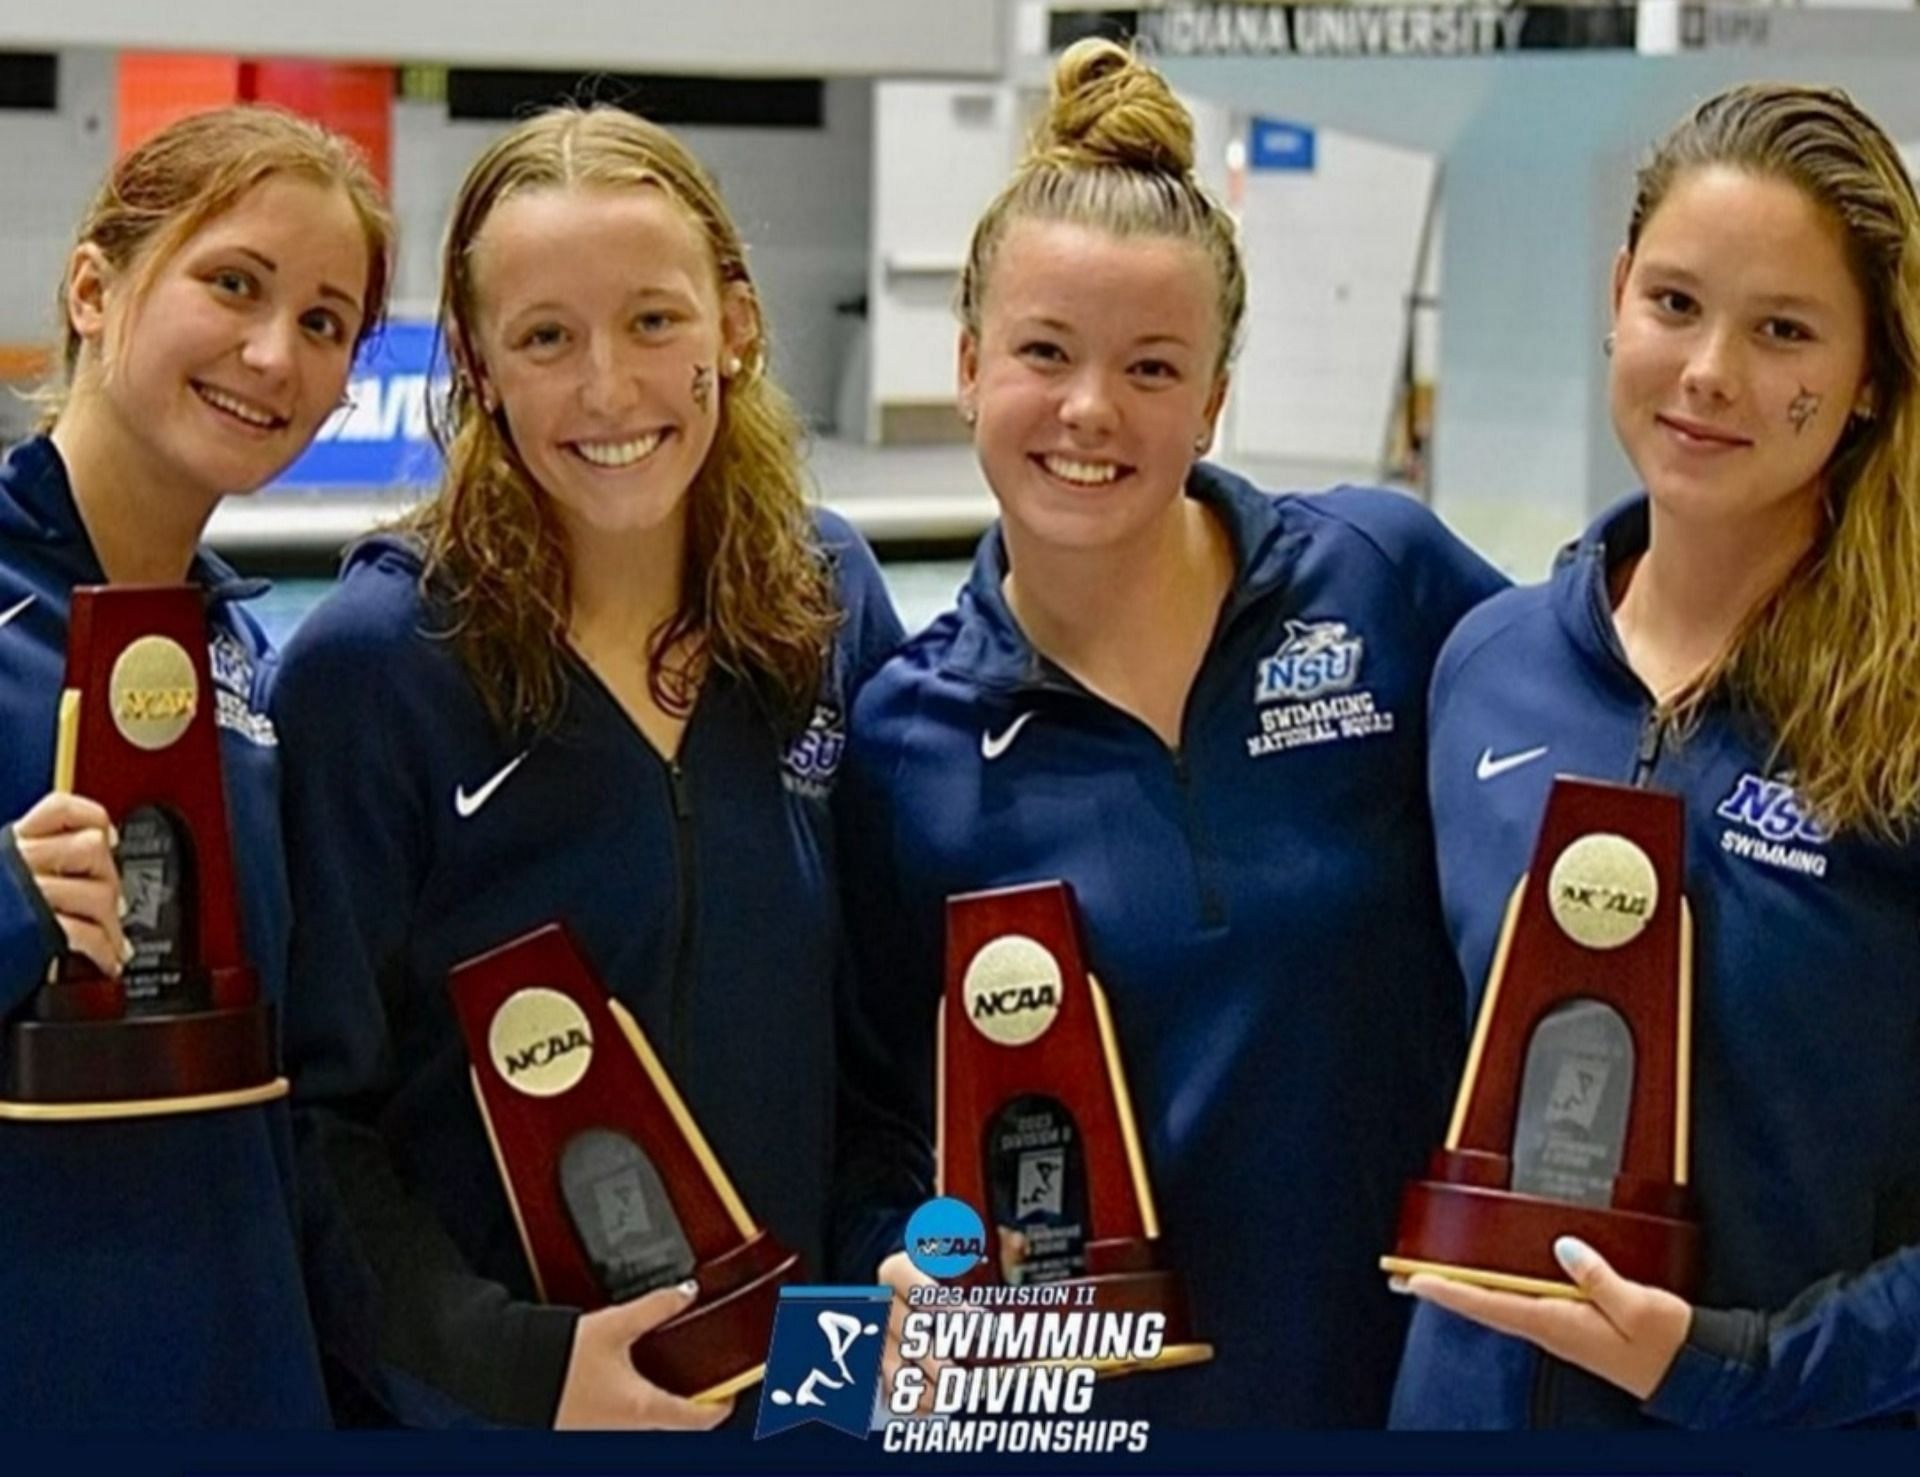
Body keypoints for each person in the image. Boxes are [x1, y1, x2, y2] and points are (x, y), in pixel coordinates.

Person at [835, 39, 1506, 1427]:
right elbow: (883, 1122)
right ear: (967, 366)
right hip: (1108, 1418)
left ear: (1212, 397)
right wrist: (906, 1276)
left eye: (1152, 366)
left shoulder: (1383, 579)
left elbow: (1601, 725)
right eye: (1043, 352)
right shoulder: (908, 742)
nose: (1092, 410)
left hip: (1432, 1392)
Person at [273, 105, 902, 1430]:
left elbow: (884, 1046)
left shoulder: (825, 602)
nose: (608, 389)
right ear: (479, 364)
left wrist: (889, 1276)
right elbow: (317, 1122)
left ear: (735, 321)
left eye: (654, 321)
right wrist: (513, 1364)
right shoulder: (376, 669)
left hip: (805, 1396)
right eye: (548, 337)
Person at [1392, 83, 1920, 1428]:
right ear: (1619, 290)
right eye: (1676, 303)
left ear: (1869, 375)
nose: (1709, 372)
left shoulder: (1900, 714)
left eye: (1784, 329)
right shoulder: (1489, 668)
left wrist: (1731, 1362)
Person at [0, 106, 391, 1427]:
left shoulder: (249, 668)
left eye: (327, 322)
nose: (274, 351)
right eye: (233, 283)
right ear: (97, 285)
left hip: (241, 1379)